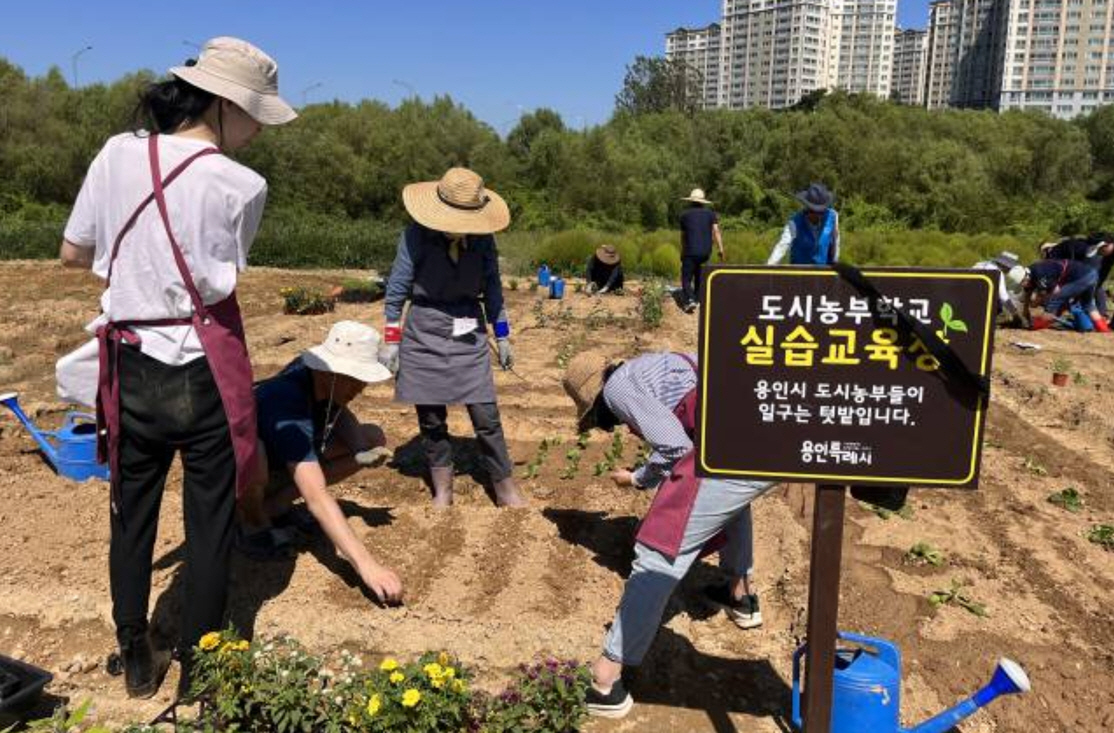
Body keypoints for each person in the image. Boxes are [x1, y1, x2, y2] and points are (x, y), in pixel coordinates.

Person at [57, 37, 295, 699]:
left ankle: (136, 655)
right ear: (224, 105)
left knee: (130, 513)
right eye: (253, 115)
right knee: (210, 522)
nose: (255, 131)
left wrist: (132, 271)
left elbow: (73, 252)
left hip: (131, 366)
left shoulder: (116, 153)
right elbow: (217, 282)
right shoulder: (245, 185)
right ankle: (199, 671)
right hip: (202, 372)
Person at [562, 351, 775, 719]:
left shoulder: (617, 390)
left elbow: (677, 448)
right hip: (761, 437)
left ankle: (605, 682)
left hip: (730, 443)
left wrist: (639, 478)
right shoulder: (655, 364)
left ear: (596, 401)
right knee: (732, 501)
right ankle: (740, 596)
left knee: (657, 552)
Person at [379, 168, 527, 508]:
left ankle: (504, 486)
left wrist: (502, 337)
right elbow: (397, 289)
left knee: (485, 414)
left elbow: (493, 291)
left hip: (467, 327)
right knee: (431, 417)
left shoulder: (483, 240)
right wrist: (391, 340)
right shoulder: (415, 237)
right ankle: (442, 487)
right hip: (424, 328)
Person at [239, 321, 402, 604]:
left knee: (371, 437)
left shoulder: (321, 379)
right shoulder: (287, 397)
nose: (362, 387)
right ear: (334, 372)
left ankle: (277, 504)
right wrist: (367, 566)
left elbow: (337, 412)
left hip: (283, 459)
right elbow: (316, 495)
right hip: (243, 472)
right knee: (253, 454)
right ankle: (252, 523)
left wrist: (360, 449)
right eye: (357, 378)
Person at [1022, 259, 1111, 332]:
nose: (1023, 284)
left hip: (1083, 276)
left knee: (1054, 300)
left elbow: (1055, 291)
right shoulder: (1028, 275)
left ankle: (1035, 326)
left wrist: (1037, 302)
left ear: (1026, 277)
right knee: (1088, 305)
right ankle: (1104, 330)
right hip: (1091, 274)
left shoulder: (1039, 273)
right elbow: (1028, 292)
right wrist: (1025, 310)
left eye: (1023, 282)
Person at [1040, 233, 1114, 321]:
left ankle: (1100, 315)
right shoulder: (1071, 247)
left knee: (1092, 282)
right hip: (1082, 267)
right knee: (1095, 283)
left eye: (1101, 250)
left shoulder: (1057, 253)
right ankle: (1101, 316)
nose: (1100, 253)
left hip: (1083, 269)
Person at [768, 183, 840, 265]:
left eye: (821, 212)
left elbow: (835, 241)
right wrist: (769, 267)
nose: (817, 215)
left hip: (824, 270)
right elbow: (782, 246)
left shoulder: (833, 217)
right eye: (813, 211)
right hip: (800, 272)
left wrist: (835, 262)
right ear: (807, 208)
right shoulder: (794, 223)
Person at [678, 188, 725, 313]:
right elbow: (716, 231)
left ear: (691, 201)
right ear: (703, 202)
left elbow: (683, 236)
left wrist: (683, 251)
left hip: (690, 251)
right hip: (705, 251)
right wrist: (721, 249)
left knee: (686, 277)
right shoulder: (710, 214)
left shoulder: (684, 215)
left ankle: (690, 300)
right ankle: (698, 299)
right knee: (699, 275)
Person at [972, 251, 1027, 324]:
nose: (1009, 270)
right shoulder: (997, 272)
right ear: (1006, 265)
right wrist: (1014, 313)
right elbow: (1003, 296)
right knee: (999, 301)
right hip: (979, 301)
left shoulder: (980, 264)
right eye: (1010, 267)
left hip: (970, 296)